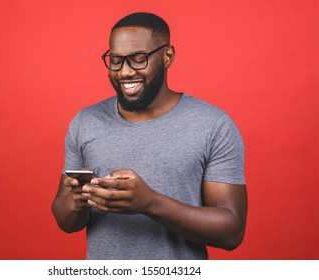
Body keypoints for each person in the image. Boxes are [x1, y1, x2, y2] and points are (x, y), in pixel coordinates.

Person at [51, 12, 247, 260]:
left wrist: (151, 203)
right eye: (115, 60)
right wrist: (77, 202)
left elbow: (232, 232)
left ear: (167, 56)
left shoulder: (213, 125)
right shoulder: (86, 121)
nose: (124, 72)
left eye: (138, 59)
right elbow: (65, 220)